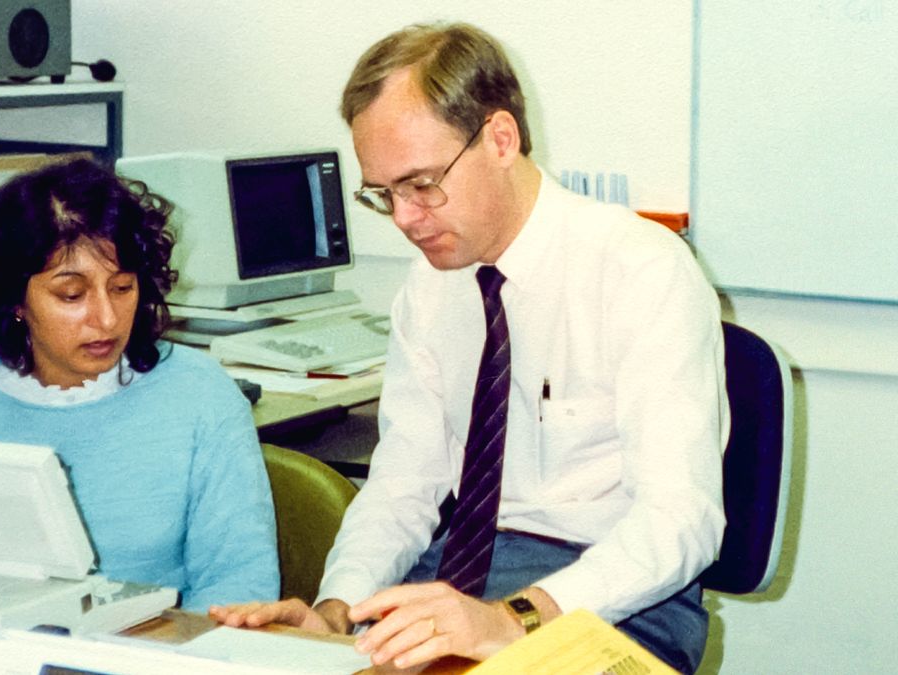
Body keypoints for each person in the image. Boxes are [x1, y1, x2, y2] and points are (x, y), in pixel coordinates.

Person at [210, 22, 727, 673]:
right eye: (384, 193)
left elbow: (681, 521)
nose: (403, 218)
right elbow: (403, 482)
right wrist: (338, 611)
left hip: (617, 597)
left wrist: (515, 618)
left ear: (501, 139)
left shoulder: (641, 269)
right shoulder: (430, 286)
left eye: (422, 184)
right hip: (456, 574)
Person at [0, 158, 280, 611]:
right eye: (71, 295)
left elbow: (240, 587)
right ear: (14, 299)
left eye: (123, 288)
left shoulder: (200, 396)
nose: (105, 319)